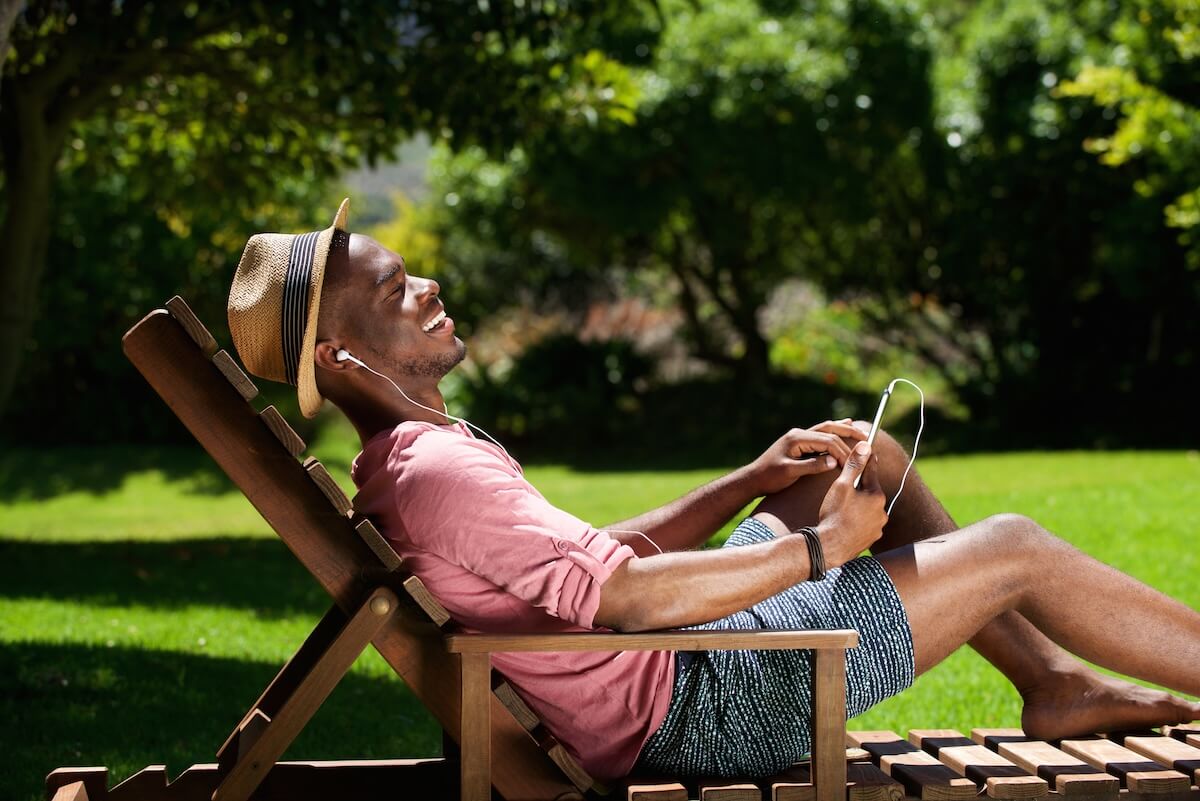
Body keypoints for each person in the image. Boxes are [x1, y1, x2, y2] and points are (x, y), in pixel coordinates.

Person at [227, 199, 1200, 782]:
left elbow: (594, 566)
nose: (430, 286)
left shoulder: (425, 449)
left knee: (858, 455)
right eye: (398, 291)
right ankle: (1058, 675)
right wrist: (822, 549)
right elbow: (626, 597)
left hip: (678, 663)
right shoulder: (438, 471)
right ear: (340, 355)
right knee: (1015, 545)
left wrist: (755, 482)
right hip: (701, 707)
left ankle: (1054, 684)